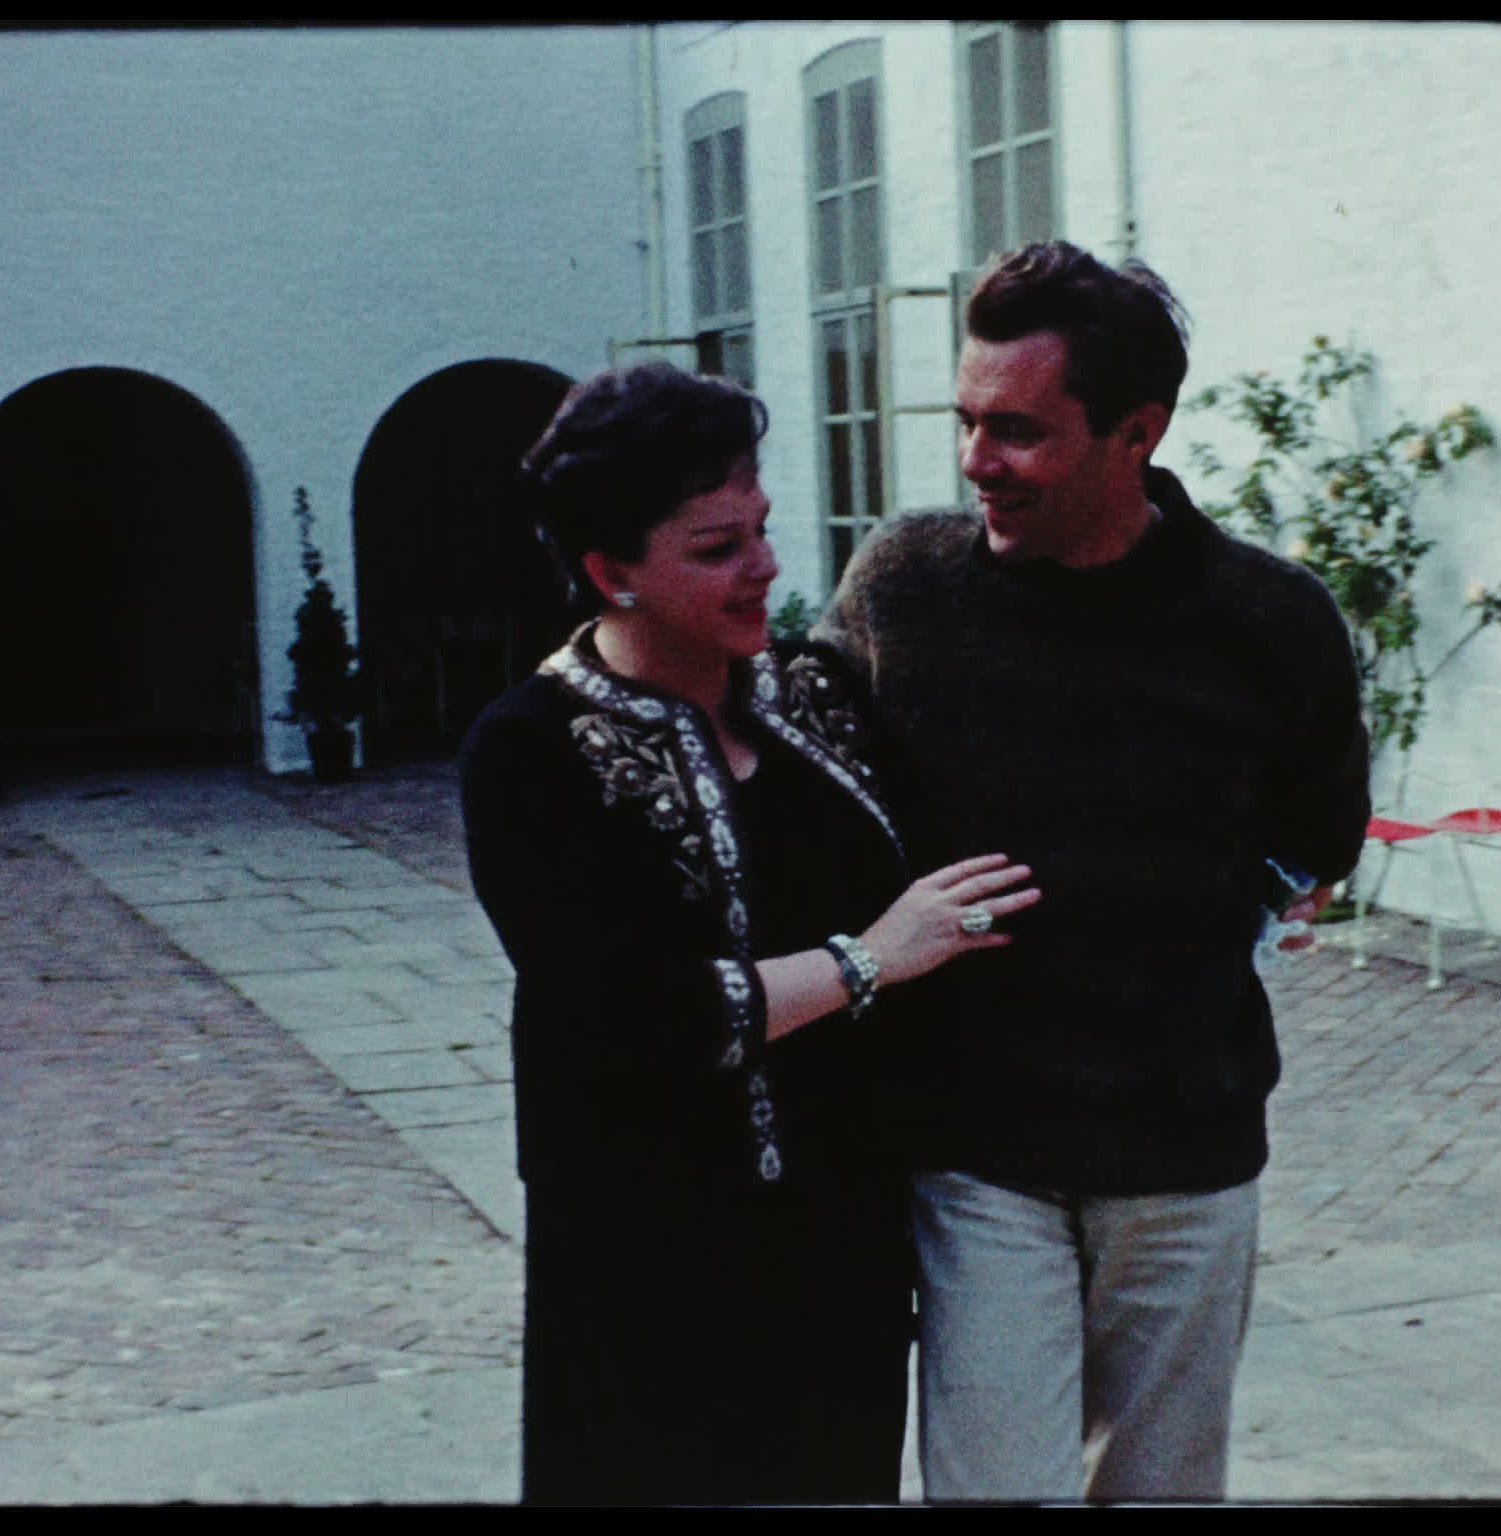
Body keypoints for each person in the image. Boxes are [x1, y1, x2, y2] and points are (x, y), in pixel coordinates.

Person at [815, 242, 1370, 1502]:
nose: (976, 462)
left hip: (1185, 1155)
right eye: (964, 422)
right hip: (974, 1152)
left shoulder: (1269, 621)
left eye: (1017, 432)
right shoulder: (903, 588)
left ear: (1137, 432)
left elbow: (1317, 840)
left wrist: (1199, 928)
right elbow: (799, 781)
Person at [458, 362, 1041, 1506]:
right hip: (648, 1269)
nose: (764, 567)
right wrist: (867, 960)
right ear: (609, 573)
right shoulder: (529, 752)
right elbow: (628, 1017)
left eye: (761, 530)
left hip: (842, 1254)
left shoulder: (816, 698)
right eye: (716, 548)